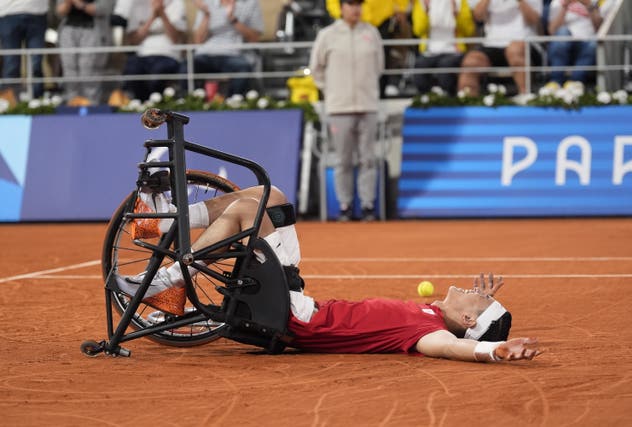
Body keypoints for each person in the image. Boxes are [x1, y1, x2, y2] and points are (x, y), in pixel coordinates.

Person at [115, 185, 542, 362]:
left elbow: (453, 350)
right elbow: (466, 324)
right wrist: (482, 308)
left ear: (468, 321)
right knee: (274, 197)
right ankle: (169, 223)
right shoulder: (430, 315)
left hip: (294, 316)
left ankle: (163, 282)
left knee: (250, 210)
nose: (472, 289)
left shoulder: (431, 335)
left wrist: (492, 350)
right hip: (299, 299)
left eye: (478, 299)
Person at [310, 0, 384, 222]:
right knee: (343, 160)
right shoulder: (327, 34)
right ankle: (345, 205)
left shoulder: (372, 33)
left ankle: (368, 204)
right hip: (339, 107)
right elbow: (316, 69)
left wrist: (367, 88)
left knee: (368, 158)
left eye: (359, 4)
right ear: (341, 8)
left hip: (368, 105)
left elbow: (379, 67)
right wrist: (331, 90)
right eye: (351, 4)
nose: (356, 9)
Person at [457, 0, 543, 97]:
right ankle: (467, 103)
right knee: (471, 60)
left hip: (524, 41)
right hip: (492, 43)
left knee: (514, 50)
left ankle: (526, 98)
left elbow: (534, 20)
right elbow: (478, 17)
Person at [325, 0, 410, 97]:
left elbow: (379, 66)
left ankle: (381, 95)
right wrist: (340, 12)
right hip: (350, 22)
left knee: (382, 60)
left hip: (383, 18)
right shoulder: (326, 35)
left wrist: (401, 8)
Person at [181, 0, 264, 97]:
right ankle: (195, 100)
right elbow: (198, 40)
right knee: (185, 67)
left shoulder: (250, 3)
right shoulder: (208, 3)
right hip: (206, 53)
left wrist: (233, 19)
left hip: (235, 53)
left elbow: (254, 38)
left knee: (243, 68)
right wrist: (207, 14)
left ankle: (233, 102)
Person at [113, 0, 187, 102]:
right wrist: (152, 16)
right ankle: (141, 104)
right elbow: (133, 40)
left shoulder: (176, 3)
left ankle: (158, 105)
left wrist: (162, 13)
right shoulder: (137, 4)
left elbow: (176, 38)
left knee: (158, 73)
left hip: (168, 54)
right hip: (143, 54)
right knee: (132, 70)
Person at [411, 0, 476, 96]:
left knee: (445, 66)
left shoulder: (460, 2)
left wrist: (456, 15)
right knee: (420, 65)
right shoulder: (421, 2)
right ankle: (425, 99)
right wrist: (426, 11)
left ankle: (448, 98)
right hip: (429, 50)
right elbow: (418, 30)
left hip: (453, 50)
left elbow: (469, 31)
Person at [55, 0, 115, 105]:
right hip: (68, 31)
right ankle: (72, 103)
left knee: (88, 70)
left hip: (92, 31)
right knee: (69, 70)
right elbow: (59, 11)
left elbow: (103, 9)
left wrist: (80, 4)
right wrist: (68, 3)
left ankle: (92, 105)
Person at [546, 0, 613, 86]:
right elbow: (552, 31)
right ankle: (555, 81)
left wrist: (589, 6)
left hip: (587, 43)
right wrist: (564, 7)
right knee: (562, 33)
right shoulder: (557, 2)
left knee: (594, 42)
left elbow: (600, 29)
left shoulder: (597, 2)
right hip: (564, 43)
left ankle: (575, 82)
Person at [0, 0, 49, 99]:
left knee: (36, 64)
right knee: (11, 64)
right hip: (8, 12)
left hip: (37, 13)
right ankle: (9, 105)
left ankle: (37, 103)